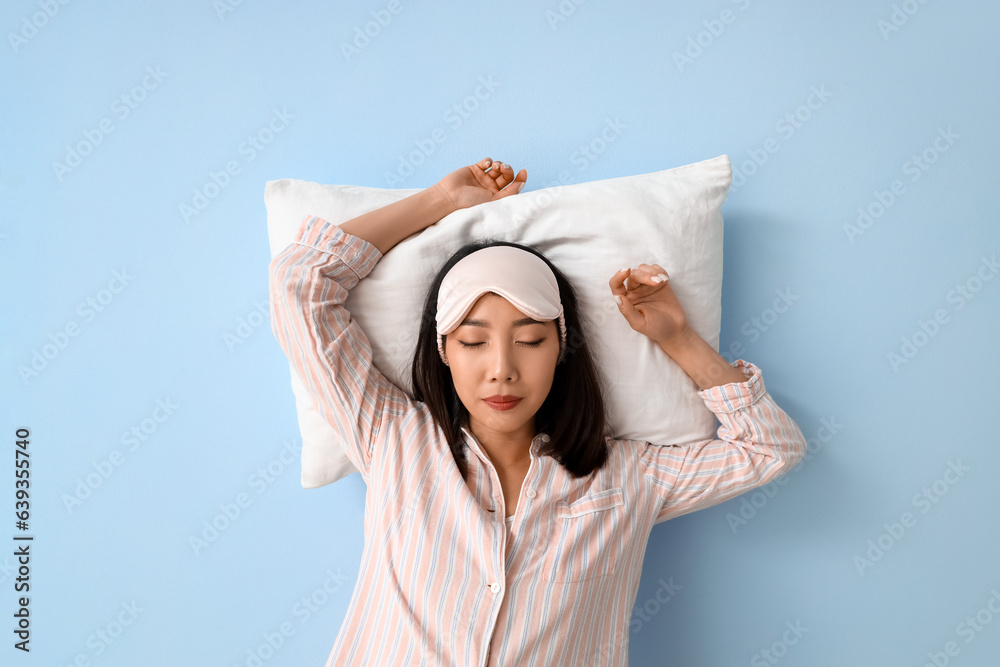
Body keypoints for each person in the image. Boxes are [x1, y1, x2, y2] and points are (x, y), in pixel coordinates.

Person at [268, 157, 808, 666]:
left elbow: (768, 448)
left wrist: (677, 338)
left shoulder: (626, 477)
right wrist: (440, 200)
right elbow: (301, 282)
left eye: (529, 340)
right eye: (473, 342)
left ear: (561, 349)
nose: (501, 369)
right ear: (443, 352)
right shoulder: (393, 438)